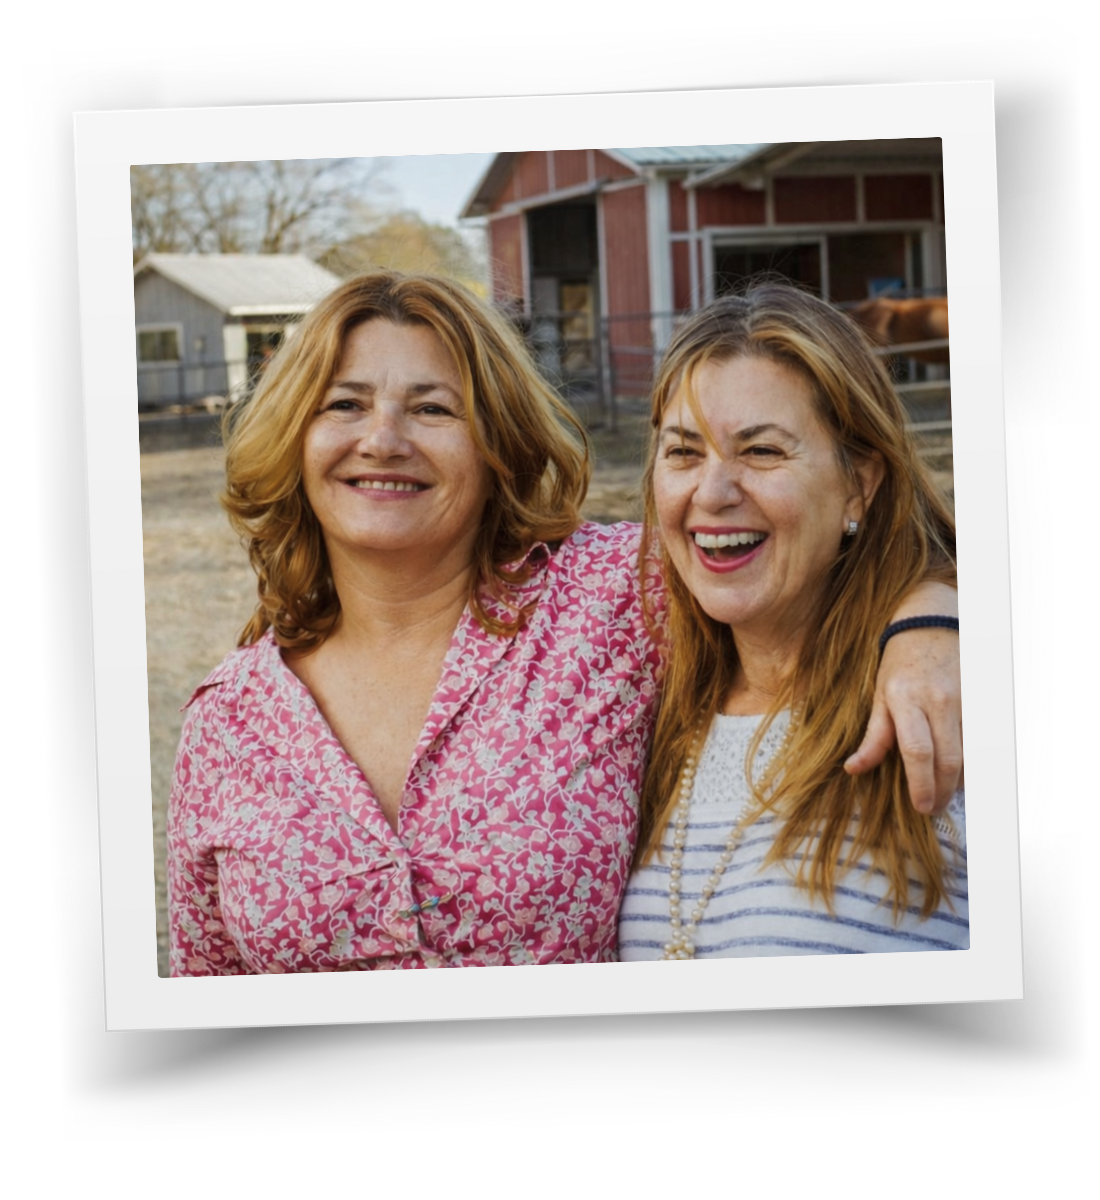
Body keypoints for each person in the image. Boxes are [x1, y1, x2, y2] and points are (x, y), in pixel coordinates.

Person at [168, 271, 962, 974]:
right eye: (344, 403)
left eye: (433, 407)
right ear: (295, 437)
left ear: (497, 446)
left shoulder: (607, 596)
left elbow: (814, 547)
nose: (383, 439)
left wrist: (931, 622)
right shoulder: (229, 720)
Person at [617, 284, 968, 961]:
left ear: (858, 485)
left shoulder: (949, 702)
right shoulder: (644, 701)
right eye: (684, 452)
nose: (713, 493)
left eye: (763, 452)